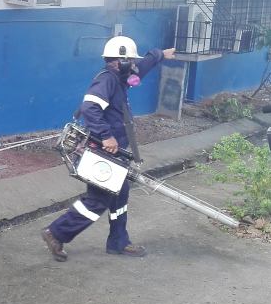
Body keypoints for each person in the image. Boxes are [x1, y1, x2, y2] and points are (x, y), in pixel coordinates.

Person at [41, 36, 176, 262]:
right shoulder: (107, 80)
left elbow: (140, 69)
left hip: (115, 152)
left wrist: (159, 54)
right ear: (119, 61)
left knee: (120, 197)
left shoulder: (121, 77)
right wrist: (107, 136)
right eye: (130, 61)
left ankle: (118, 242)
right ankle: (56, 233)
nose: (134, 65)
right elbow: (89, 108)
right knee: (96, 201)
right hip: (104, 151)